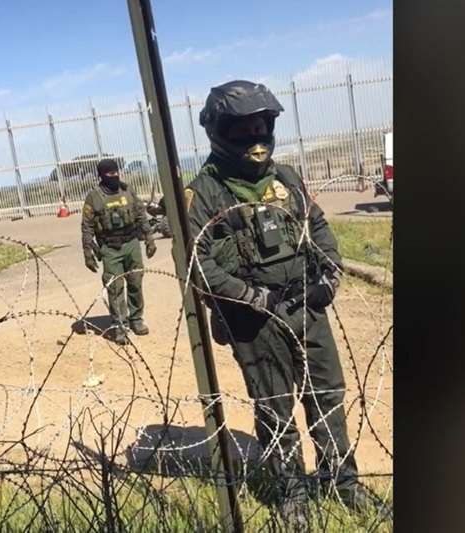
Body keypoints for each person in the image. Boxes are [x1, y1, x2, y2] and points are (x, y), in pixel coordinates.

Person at [184, 80, 377, 523]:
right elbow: (199, 263)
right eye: (242, 131)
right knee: (276, 409)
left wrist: (330, 274)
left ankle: (341, 482)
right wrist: (251, 296)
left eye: (261, 127)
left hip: (306, 307)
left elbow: (320, 226)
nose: (255, 139)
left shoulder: (286, 179)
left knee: (327, 394)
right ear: (219, 133)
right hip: (256, 321)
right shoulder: (205, 192)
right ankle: (291, 491)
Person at [81, 158, 157, 345]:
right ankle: (120, 326)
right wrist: (88, 253)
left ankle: (136, 320)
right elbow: (87, 227)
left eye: (116, 172)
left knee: (135, 282)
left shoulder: (127, 190)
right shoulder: (94, 197)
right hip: (109, 248)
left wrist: (149, 238)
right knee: (115, 287)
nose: (114, 176)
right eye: (110, 173)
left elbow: (140, 214)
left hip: (131, 243)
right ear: (101, 176)